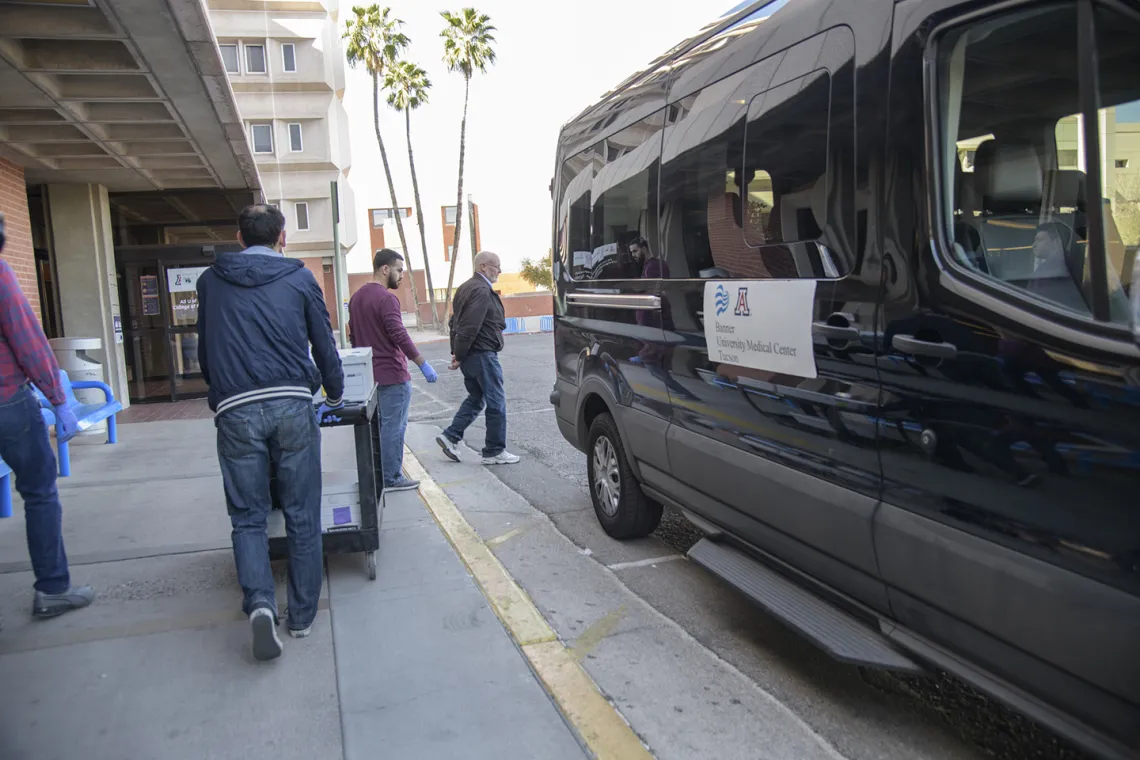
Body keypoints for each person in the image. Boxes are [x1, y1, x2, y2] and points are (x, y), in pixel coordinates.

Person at [196, 204, 344, 661]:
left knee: (247, 517)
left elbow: (205, 346)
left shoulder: (210, 281)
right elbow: (323, 341)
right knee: (302, 512)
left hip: (236, 407)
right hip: (292, 403)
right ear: (283, 237)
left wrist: (218, 397)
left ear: (239, 238)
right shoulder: (300, 278)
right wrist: (334, 394)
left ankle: (260, 603)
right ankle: (300, 617)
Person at [0, 212, 94, 629]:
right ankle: (52, 589)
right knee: (39, 492)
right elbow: (27, 339)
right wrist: (59, 400)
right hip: (6, 402)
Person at [348, 248, 438, 492]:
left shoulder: (356, 298)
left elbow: (353, 336)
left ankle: (380, 473)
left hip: (370, 377)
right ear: (384, 269)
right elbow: (398, 333)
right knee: (394, 427)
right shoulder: (387, 299)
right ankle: (392, 477)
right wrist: (422, 363)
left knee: (377, 428)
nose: (401, 276)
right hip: (392, 374)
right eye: (399, 270)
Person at [436, 251, 520, 466]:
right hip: (482, 354)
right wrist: (459, 354)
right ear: (483, 266)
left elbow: (455, 323)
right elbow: (469, 326)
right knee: (495, 401)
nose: (499, 271)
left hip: (472, 356)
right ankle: (494, 451)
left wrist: (458, 353)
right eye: (496, 266)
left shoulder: (465, 288)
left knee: (476, 398)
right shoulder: (481, 290)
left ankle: (451, 436)